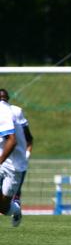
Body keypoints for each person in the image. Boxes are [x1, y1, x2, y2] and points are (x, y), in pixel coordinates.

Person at [0, 89, 34, 209]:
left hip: (14, 164)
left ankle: (15, 208)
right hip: (3, 162)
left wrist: (27, 153)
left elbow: (25, 139)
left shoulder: (14, 112)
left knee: (4, 207)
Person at [0, 95, 26, 227]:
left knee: (4, 208)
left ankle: (16, 209)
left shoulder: (4, 112)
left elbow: (12, 140)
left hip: (12, 166)